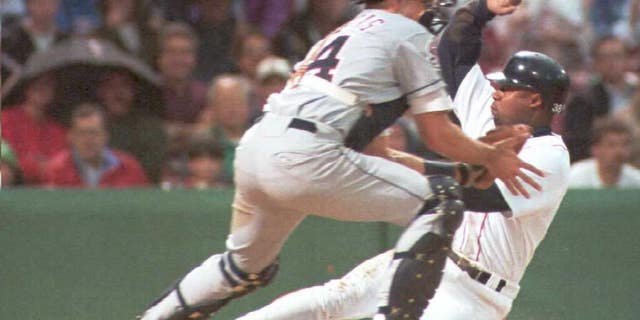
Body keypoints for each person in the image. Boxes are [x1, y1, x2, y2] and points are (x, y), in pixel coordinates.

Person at [139, 1, 541, 319]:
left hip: (260, 145)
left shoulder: (349, 32)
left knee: (245, 268)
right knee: (441, 203)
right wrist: (489, 157)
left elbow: (377, 155)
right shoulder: (406, 32)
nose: (431, 8)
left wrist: (466, 170)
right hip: (306, 156)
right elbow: (437, 134)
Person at [45, 103, 148, 188]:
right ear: (71, 137)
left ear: (105, 136)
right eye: (82, 133)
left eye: (94, 132)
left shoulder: (129, 167)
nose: (88, 140)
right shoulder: (57, 170)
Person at [1, 72, 67, 185]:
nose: (42, 89)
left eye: (47, 84)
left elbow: (61, 167)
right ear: (27, 87)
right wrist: (34, 166)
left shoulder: (57, 131)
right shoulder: (5, 119)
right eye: (36, 84)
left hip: (47, 191)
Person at [569, 117, 640, 188]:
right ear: (595, 149)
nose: (619, 151)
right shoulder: (574, 178)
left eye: (624, 144)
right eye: (611, 145)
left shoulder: (637, 181)